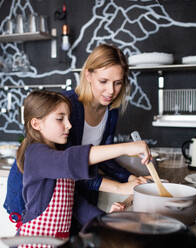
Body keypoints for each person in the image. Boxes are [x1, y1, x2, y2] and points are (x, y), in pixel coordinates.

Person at [15, 90, 150, 243]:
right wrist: (126, 148)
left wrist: (106, 221)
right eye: (60, 119)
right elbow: (70, 160)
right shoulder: (36, 154)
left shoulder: (57, 154)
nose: (69, 125)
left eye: (68, 118)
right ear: (36, 124)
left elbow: (76, 205)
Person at [62, 43, 152, 206]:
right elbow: (68, 164)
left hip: (83, 194)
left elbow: (104, 158)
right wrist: (121, 187)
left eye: (118, 83)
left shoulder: (111, 112)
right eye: (103, 81)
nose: (111, 90)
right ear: (88, 75)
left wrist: (132, 179)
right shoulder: (67, 106)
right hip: (54, 197)